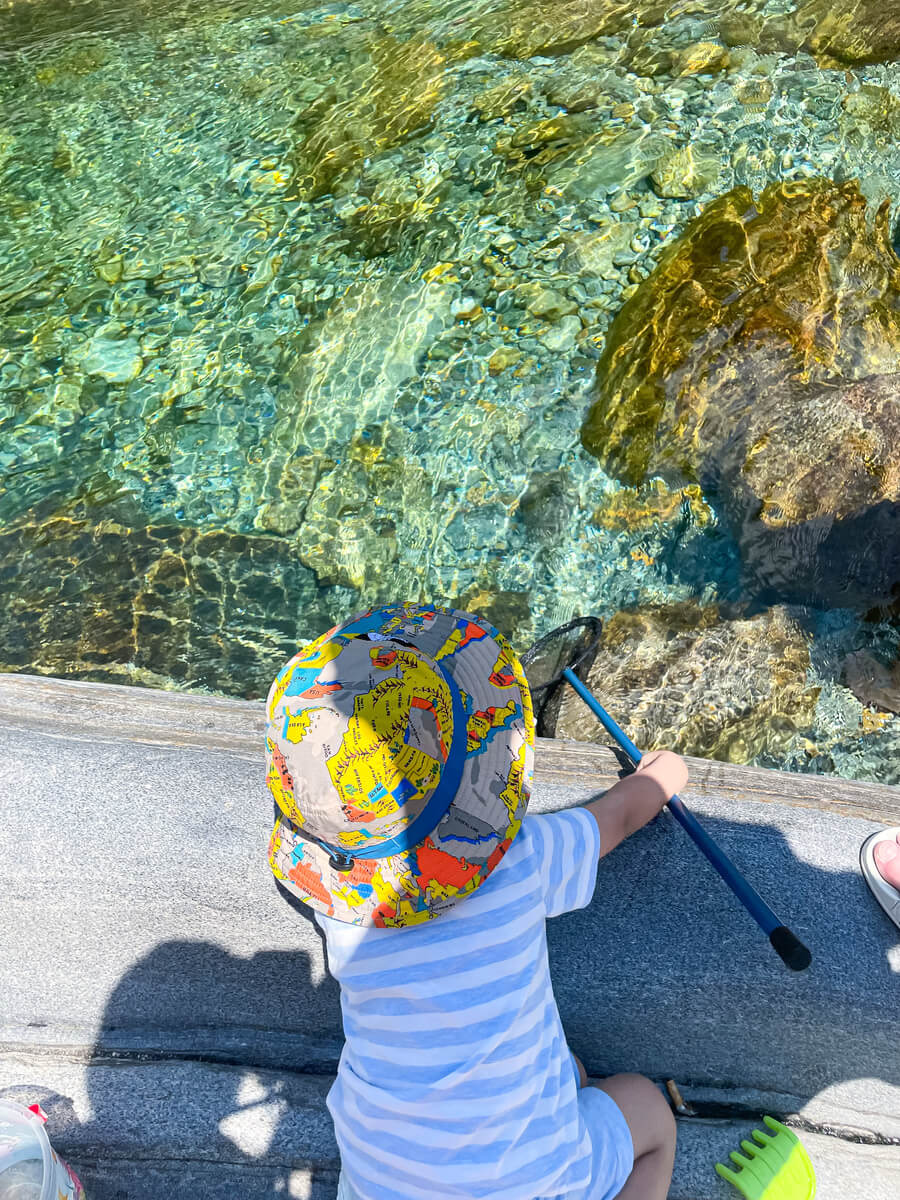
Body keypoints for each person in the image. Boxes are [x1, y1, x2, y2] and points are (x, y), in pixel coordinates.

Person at [266, 602, 686, 1200]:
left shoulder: (338, 899)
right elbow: (620, 815)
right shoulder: (522, 857)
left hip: (385, 1184)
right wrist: (663, 774)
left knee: (571, 1074)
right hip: (535, 1180)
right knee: (647, 1109)